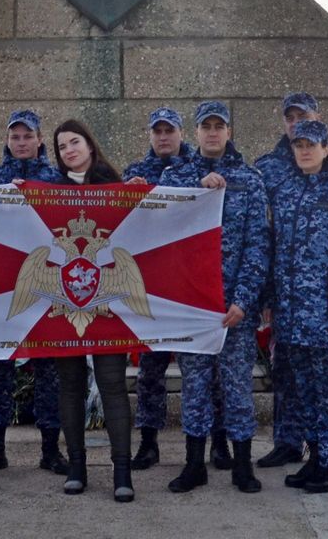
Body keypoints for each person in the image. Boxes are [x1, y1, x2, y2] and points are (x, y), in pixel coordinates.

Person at [252, 91, 328, 468]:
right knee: (293, 377)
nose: (296, 127)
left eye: (303, 118)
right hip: (290, 303)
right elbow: (267, 234)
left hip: (326, 304)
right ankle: (298, 445)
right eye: (290, 119)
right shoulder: (272, 170)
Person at [160, 100, 268, 493]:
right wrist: (196, 187)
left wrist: (243, 300)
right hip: (192, 305)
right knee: (195, 386)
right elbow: (157, 214)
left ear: (229, 132)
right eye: (205, 126)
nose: (212, 133)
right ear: (195, 132)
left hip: (232, 308)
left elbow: (258, 246)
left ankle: (243, 465)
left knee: (237, 385)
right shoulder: (178, 176)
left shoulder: (249, 179)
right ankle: (194, 465)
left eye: (219, 126)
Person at [50, 118, 139, 501]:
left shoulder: (118, 190)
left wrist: (142, 197)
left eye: (75, 142)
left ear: (90, 145)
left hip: (106, 303)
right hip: (65, 304)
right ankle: (76, 466)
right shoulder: (47, 194)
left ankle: (122, 471)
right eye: (62, 147)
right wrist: (18, 198)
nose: (69, 150)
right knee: (69, 387)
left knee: (113, 386)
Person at [0, 109, 67, 474]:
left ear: (39, 140)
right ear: (8, 140)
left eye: (27, 136)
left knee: (50, 373)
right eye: (14, 136)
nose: (20, 142)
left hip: (49, 288)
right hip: (4, 289)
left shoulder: (58, 179)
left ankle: (51, 450)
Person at [122, 106, 200, 469]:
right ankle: (149, 442)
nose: (164, 137)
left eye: (170, 130)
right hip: (149, 287)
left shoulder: (198, 170)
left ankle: (206, 445)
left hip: (186, 286)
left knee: (198, 370)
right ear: (150, 135)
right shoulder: (135, 173)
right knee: (149, 371)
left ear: (182, 133)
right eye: (158, 131)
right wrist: (127, 195)